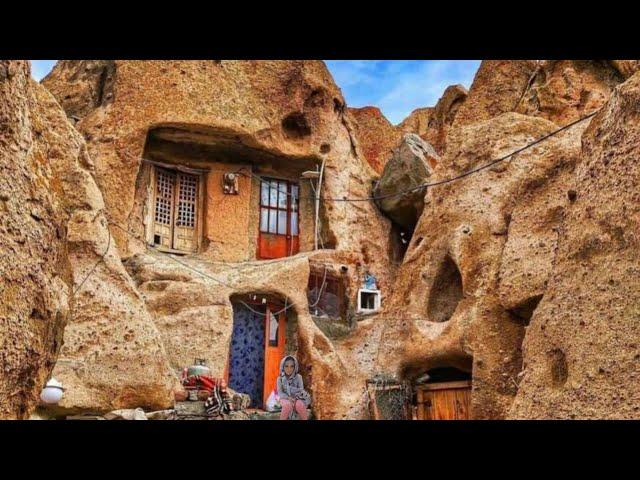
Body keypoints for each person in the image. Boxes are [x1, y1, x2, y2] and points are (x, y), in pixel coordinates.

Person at [277, 355, 311, 420]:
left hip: (297, 397)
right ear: (282, 367)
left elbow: (301, 390)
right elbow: (280, 393)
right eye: (286, 366)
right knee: (287, 405)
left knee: (300, 405)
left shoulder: (298, 377)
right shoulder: (280, 379)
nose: (289, 369)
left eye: (292, 366)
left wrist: (295, 397)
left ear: (295, 367)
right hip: (285, 398)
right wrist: (288, 397)